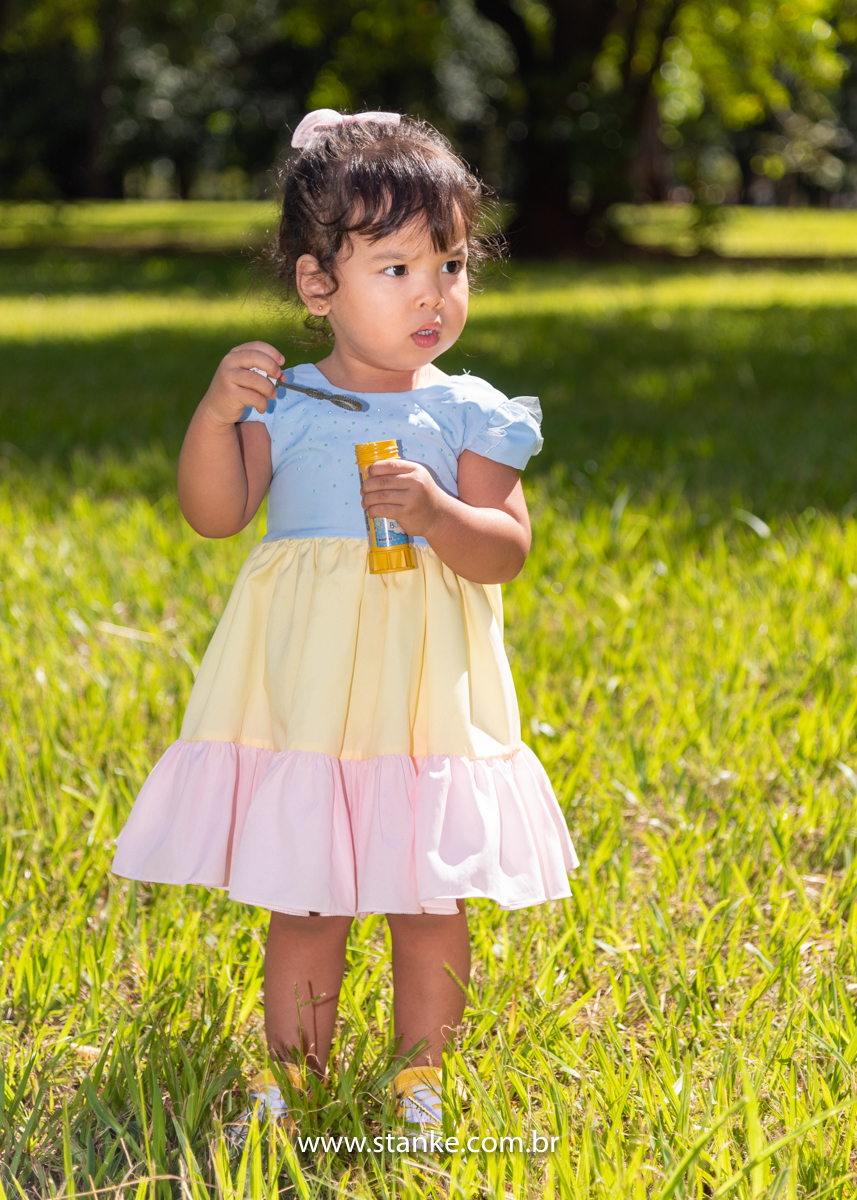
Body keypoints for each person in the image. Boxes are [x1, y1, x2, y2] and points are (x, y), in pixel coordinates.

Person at [112, 108, 578, 1136]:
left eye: (450, 264)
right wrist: (213, 415)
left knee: (426, 895)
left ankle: (421, 1080)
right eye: (397, 268)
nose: (433, 293)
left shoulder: (469, 410)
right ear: (317, 283)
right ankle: (293, 1080)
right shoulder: (287, 401)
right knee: (308, 894)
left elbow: (503, 549)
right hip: (313, 692)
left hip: (421, 698)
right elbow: (215, 513)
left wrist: (435, 510)